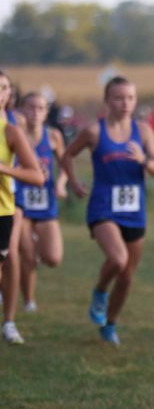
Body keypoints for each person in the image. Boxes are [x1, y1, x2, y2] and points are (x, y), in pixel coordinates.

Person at [61, 77, 154, 345]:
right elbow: (67, 155)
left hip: (134, 210)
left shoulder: (143, 131)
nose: (125, 103)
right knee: (118, 259)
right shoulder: (94, 132)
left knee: (127, 276)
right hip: (103, 207)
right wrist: (73, 182)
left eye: (130, 98)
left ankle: (110, 324)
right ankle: (99, 292)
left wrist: (143, 160)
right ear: (107, 101)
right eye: (119, 98)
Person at [0, 73, 46, 345]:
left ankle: (9, 322)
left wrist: (3, 168)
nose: (0, 93)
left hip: (3, 210)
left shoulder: (11, 132)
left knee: (13, 260)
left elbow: (37, 176)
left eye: (4, 88)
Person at [14, 92, 66, 313]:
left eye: (40, 108)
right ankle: (28, 300)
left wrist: (62, 183)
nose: (35, 112)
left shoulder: (53, 136)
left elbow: (65, 164)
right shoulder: (15, 135)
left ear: (46, 113)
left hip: (46, 204)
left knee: (53, 258)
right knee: (27, 254)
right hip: (20, 203)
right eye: (31, 107)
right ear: (22, 110)